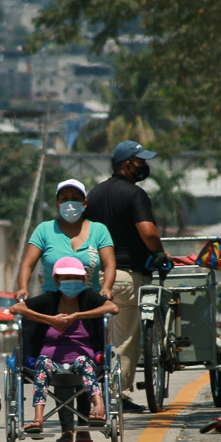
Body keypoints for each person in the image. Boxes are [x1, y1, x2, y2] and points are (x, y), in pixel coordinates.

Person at [84, 140, 168, 413]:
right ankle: (116, 396)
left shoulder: (94, 194)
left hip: (96, 277)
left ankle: (94, 393)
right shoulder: (135, 194)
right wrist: (161, 254)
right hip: (126, 277)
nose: (145, 166)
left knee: (101, 340)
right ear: (127, 163)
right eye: (141, 161)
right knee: (125, 341)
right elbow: (148, 231)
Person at [10, 257, 119, 442]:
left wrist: (77, 316)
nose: (71, 281)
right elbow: (16, 308)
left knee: (84, 362)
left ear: (84, 280)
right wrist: (49, 319)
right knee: (43, 364)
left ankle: (99, 408)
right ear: (58, 281)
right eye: (66, 277)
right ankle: (38, 419)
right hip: (50, 360)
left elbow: (112, 307)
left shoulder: (88, 298)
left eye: (75, 277)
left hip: (81, 358)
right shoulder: (49, 300)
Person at [15, 178, 115, 300]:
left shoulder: (99, 230)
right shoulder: (44, 230)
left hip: (89, 301)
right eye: (65, 199)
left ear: (84, 203)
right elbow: (27, 265)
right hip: (51, 301)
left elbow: (109, 264)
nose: (70, 203)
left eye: (75, 198)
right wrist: (23, 288)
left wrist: (107, 288)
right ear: (57, 204)